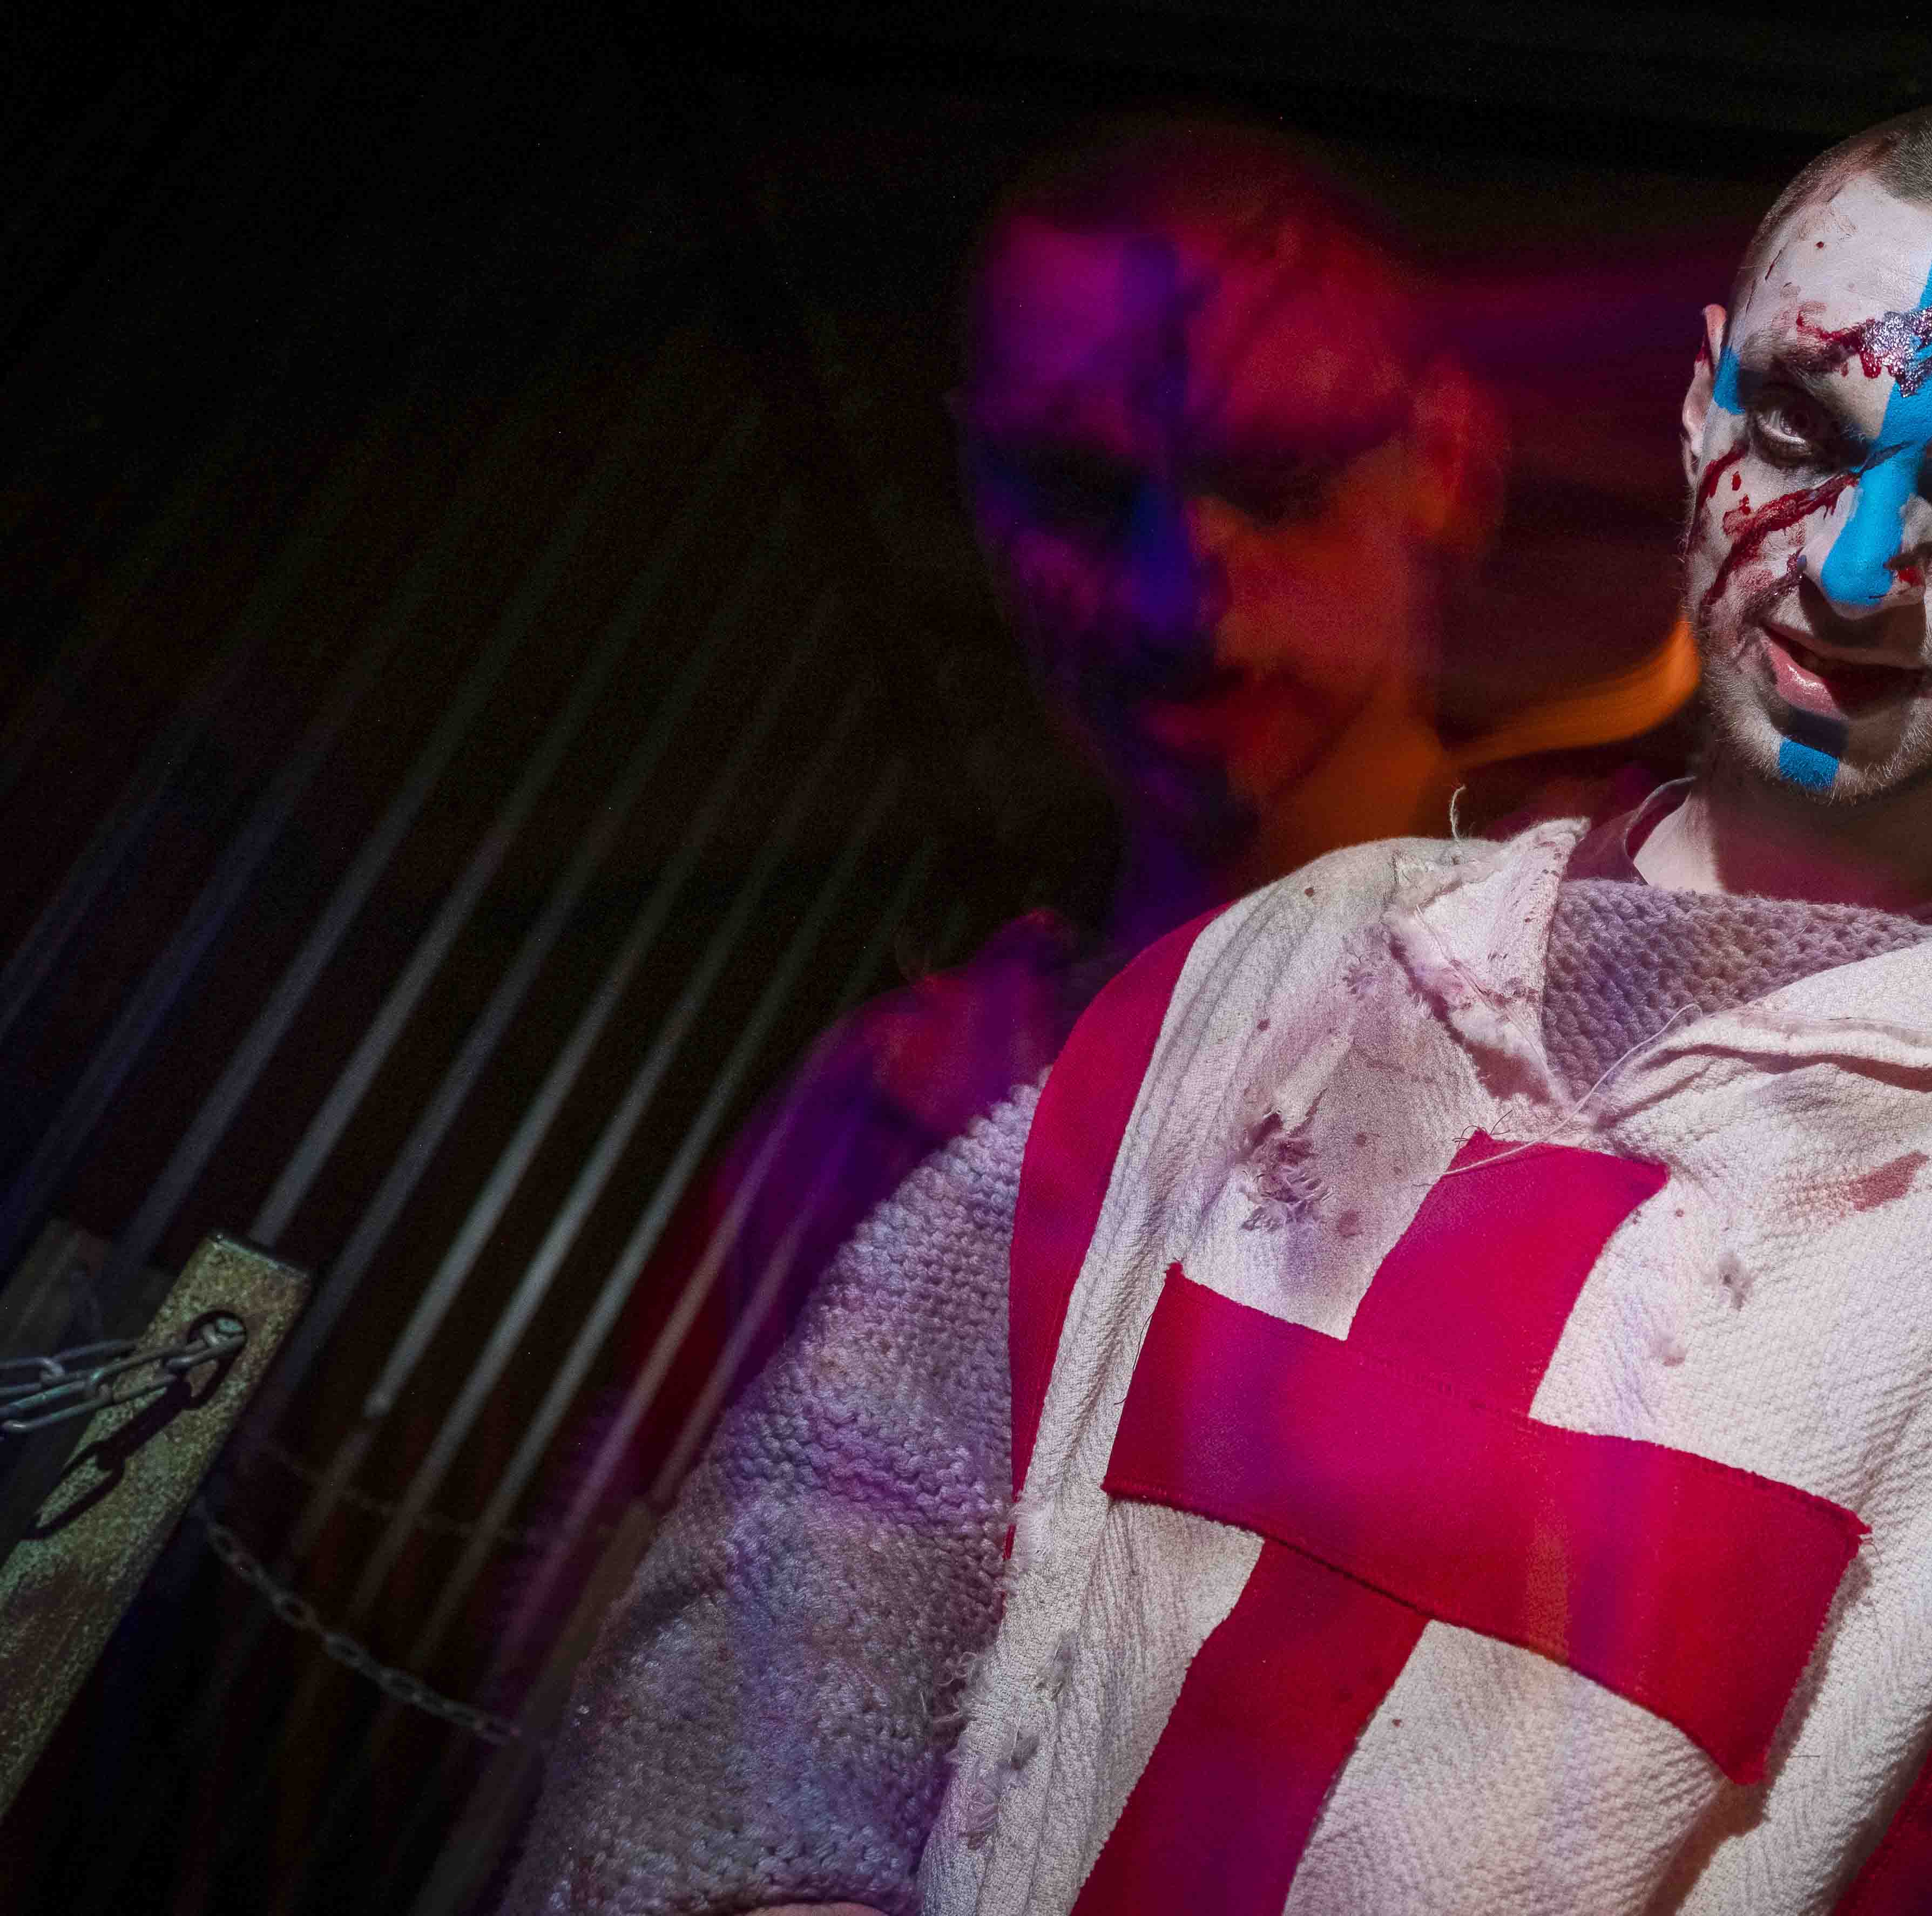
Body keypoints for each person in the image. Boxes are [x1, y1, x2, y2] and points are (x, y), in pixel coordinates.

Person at [512, 101, 1932, 1915]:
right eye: (1800, 435)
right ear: (1691, 412)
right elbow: (820, 1571)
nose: (1851, 574)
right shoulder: (1272, 986)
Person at [545, 120, 1697, 1608]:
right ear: (979, 492)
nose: (1176, 602)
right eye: (1078, 491)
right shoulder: (893, 1110)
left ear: (1449, 457)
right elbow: (619, 1692)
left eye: (1276, 478)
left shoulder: (1671, 986)